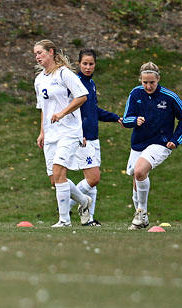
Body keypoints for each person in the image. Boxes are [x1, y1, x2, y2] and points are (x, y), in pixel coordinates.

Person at [121, 62, 182, 230]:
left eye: (151, 82)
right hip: (138, 143)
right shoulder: (135, 93)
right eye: (145, 82)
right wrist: (135, 120)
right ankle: (141, 218)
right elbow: (126, 118)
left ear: (158, 79)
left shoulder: (169, 97)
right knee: (136, 177)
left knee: (139, 170)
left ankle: (142, 212)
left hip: (160, 143)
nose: (148, 86)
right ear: (141, 80)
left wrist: (176, 139)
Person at [33, 39, 89, 227]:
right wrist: (42, 132)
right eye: (35, 54)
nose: (37, 56)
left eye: (40, 52)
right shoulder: (39, 79)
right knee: (54, 179)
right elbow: (43, 108)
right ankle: (84, 201)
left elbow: (82, 96)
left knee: (58, 172)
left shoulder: (65, 74)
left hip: (69, 131)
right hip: (51, 133)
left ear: (51, 52)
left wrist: (63, 113)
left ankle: (64, 220)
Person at [71, 49, 121, 226]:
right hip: (82, 138)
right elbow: (72, 111)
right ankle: (65, 203)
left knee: (92, 183)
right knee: (93, 178)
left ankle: (89, 219)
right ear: (78, 64)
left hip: (94, 137)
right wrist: (79, 134)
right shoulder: (75, 83)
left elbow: (93, 110)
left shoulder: (90, 83)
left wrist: (116, 118)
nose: (88, 66)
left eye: (91, 63)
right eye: (84, 63)